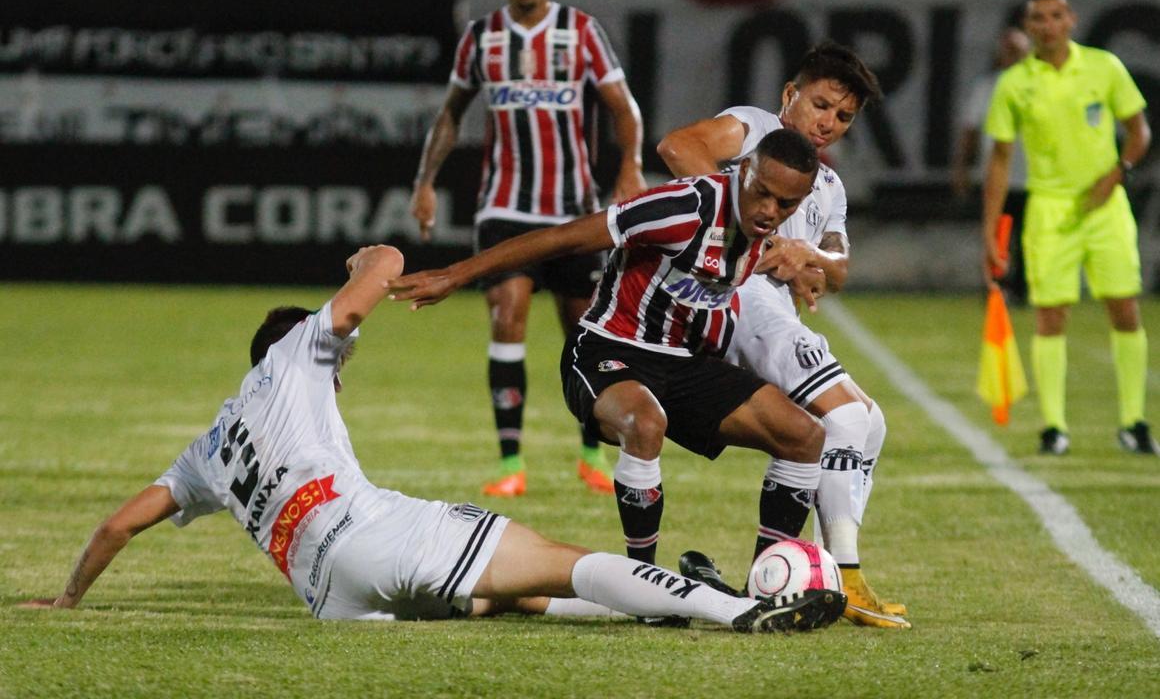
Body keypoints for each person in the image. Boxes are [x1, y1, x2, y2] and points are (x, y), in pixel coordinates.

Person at [17, 244, 845, 634]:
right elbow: (360, 294)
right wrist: (377, 257)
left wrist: (68, 598)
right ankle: (735, 610)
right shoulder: (301, 354)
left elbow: (120, 524)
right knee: (567, 560)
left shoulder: (207, 446)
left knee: (508, 593)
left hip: (331, 598)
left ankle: (646, 612)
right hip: (372, 535)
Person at [394, 130, 831, 602]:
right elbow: (562, 238)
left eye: (785, 203)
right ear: (743, 170)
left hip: (682, 364)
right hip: (605, 350)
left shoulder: (771, 231)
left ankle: (763, 591)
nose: (769, 210)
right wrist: (454, 274)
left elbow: (800, 257)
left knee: (802, 436)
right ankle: (644, 588)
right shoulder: (683, 207)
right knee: (644, 422)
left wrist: (805, 267)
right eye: (762, 192)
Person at [656, 41, 909, 629]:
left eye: (843, 116)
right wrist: (754, 236)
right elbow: (678, 146)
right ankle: (845, 577)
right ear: (790, 95)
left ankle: (815, 570)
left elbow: (838, 268)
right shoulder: (755, 130)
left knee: (870, 422)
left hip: (773, 308)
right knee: (843, 418)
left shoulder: (829, 187)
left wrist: (806, 256)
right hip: (736, 299)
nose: (828, 122)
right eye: (820, 104)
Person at [409, 0, 647, 498]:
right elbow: (451, 113)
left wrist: (630, 165)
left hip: (574, 210)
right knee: (506, 313)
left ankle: (592, 449)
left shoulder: (581, 32)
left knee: (583, 328)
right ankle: (511, 462)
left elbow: (623, 108)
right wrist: (426, 181)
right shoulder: (482, 38)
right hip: (504, 207)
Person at [982, 0, 1153, 456]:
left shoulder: (1104, 67)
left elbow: (1140, 132)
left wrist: (1118, 173)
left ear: (1071, 19)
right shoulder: (1015, 83)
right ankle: (1054, 427)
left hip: (1105, 207)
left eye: (1057, 15)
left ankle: (1134, 422)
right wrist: (991, 231)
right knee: (1050, 315)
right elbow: (998, 160)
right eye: (1039, 18)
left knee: (1124, 308)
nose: (1049, 25)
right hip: (1050, 209)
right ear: (1028, 26)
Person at [951, 27, 1032, 303]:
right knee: (998, 236)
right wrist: (961, 168)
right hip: (997, 176)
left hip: (1034, 177)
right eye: (1009, 51)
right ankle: (996, 286)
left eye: (1018, 51)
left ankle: (1023, 291)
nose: (1013, 56)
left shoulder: (1040, 86)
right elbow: (970, 131)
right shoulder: (988, 87)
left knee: (1030, 238)